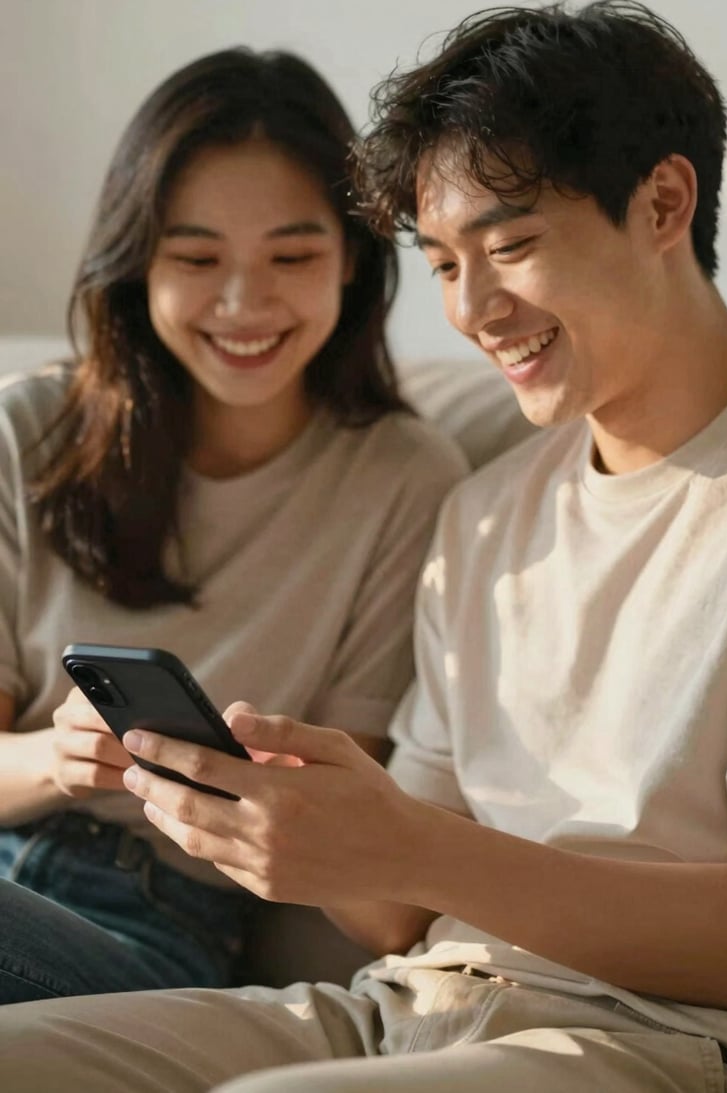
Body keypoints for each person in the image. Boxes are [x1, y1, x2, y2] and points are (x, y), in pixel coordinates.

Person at [0, 1, 727, 1089]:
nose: (475, 309)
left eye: (509, 247)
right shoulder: (486, 510)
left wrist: (410, 845)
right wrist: (291, 812)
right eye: (446, 264)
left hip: (637, 1036)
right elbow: (397, 912)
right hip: (395, 1008)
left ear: (666, 202)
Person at [0, 47, 466, 1003]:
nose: (244, 304)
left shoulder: (403, 482)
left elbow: (350, 836)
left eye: (292, 257)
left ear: (353, 259)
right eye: (197, 258)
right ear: (139, 263)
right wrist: (60, 756)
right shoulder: (28, 431)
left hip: (157, 927)